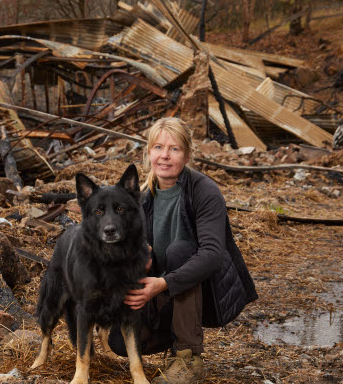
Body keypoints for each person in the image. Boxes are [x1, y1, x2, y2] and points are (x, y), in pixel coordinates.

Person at [109, 117, 257, 384]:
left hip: (208, 292)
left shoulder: (204, 192)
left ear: (187, 155)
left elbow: (212, 255)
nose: (164, 156)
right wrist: (140, 260)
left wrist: (162, 283)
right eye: (157, 148)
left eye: (174, 149)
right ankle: (174, 334)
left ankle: (189, 357)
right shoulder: (140, 199)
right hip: (162, 287)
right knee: (120, 342)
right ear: (148, 153)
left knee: (181, 251)